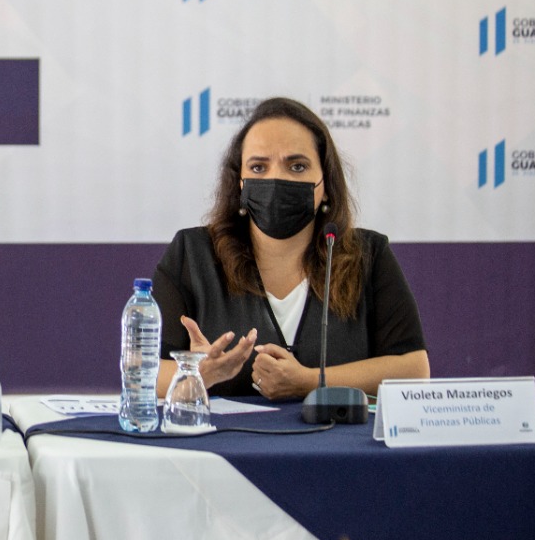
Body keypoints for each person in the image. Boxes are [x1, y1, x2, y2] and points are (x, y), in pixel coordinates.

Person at [152, 97, 428, 400]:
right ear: (240, 183)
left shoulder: (369, 255)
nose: (276, 179)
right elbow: (144, 371)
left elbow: (414, 369)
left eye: (297, 166)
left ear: (326, 183)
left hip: (336, 433)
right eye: (258, 167)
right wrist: (200, 373)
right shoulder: (192, 254)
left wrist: (311, 381)